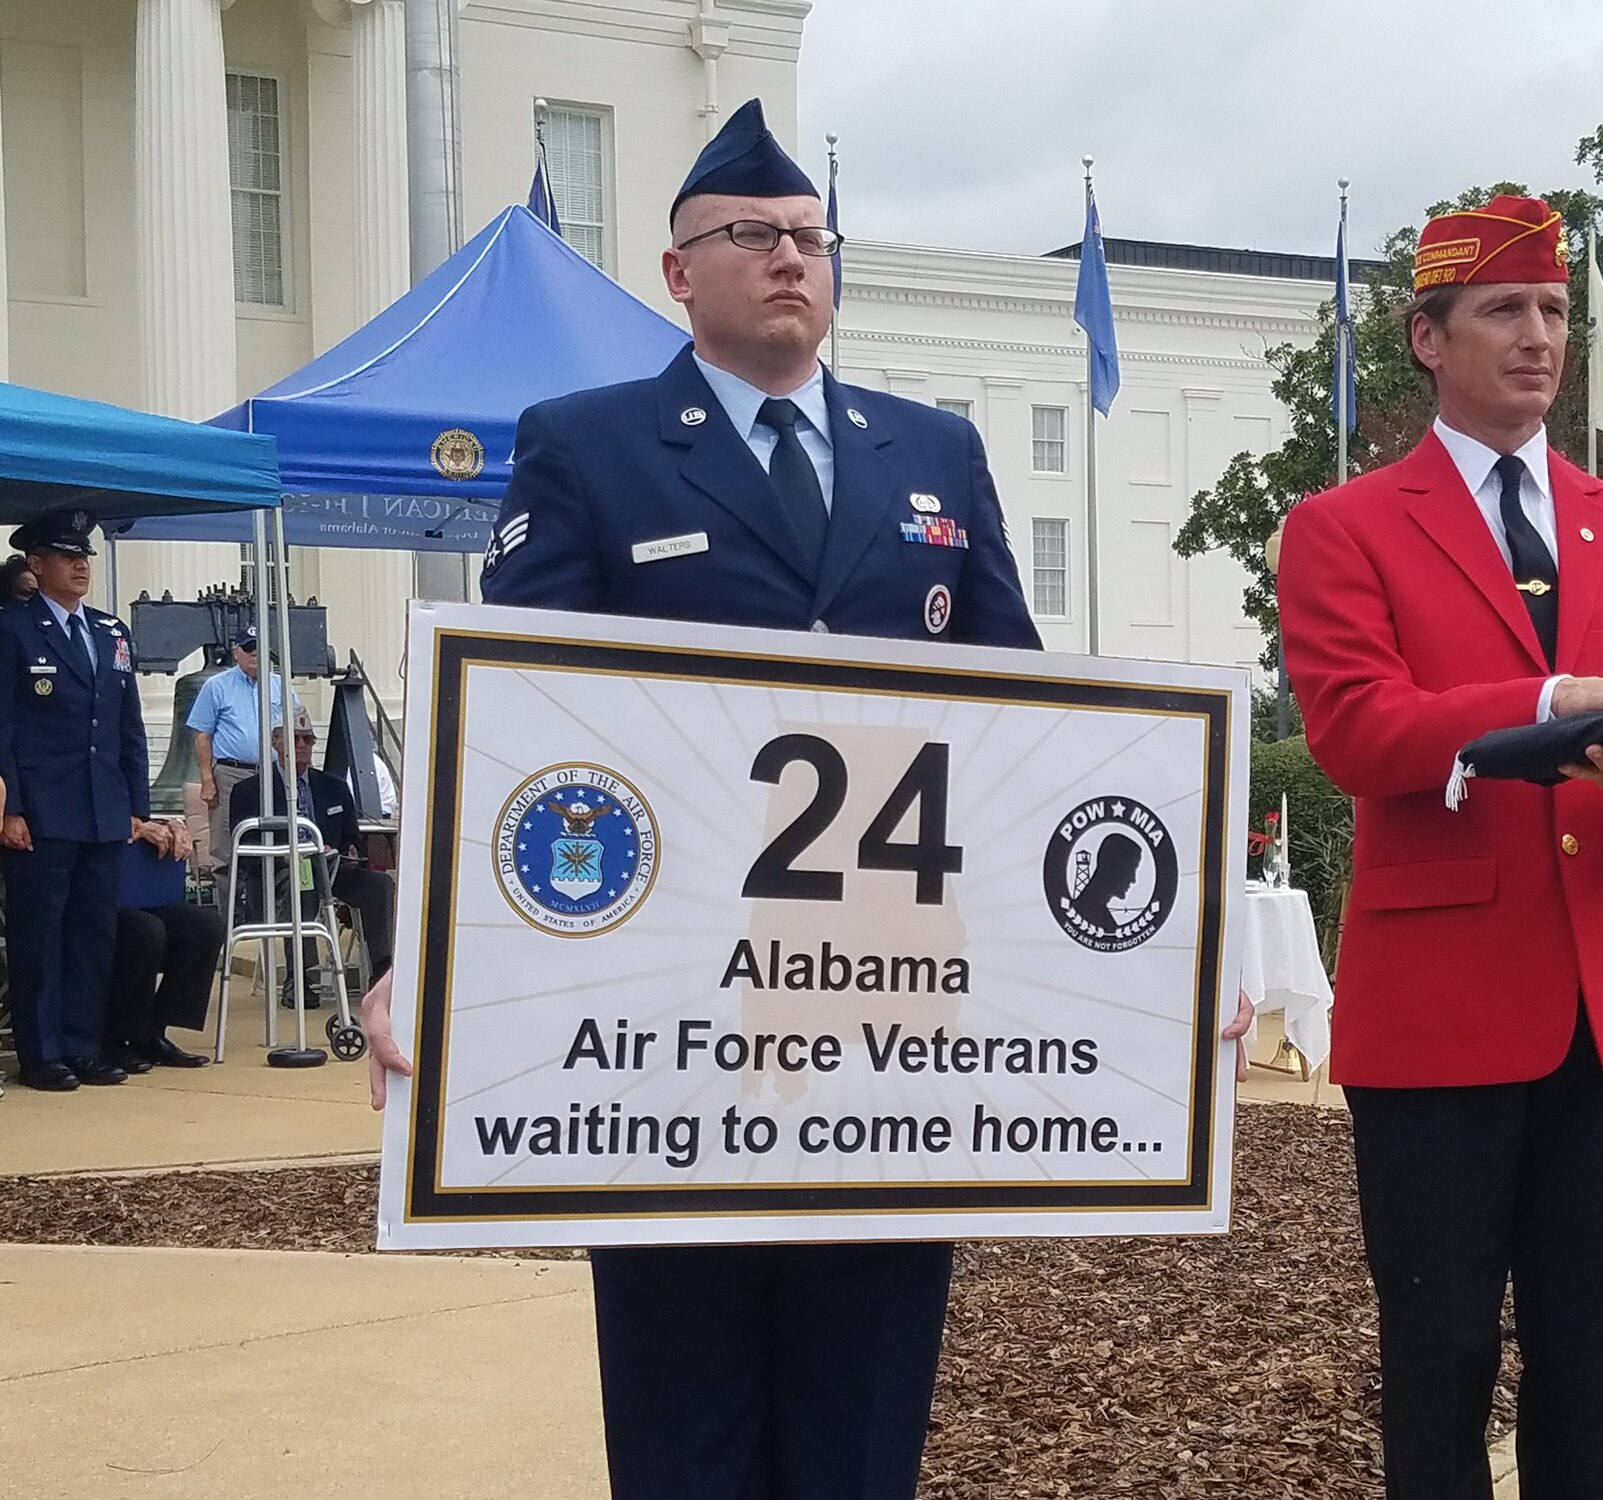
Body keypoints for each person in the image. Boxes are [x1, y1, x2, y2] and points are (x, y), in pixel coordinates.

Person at [363, 97, 1252, 1500]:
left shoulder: (935, 454)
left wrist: (1156, 968)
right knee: (685, 1418)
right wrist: (428, 959)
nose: (789, 258)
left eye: (809, 238)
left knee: (863, 1418)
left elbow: (1023, 735)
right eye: (752, 235)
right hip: (668, 1015)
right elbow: (521, 722)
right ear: (679, 274)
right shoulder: (586, 443)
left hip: (894, 1021)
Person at [1276, 195, 1603, 1500]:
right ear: (1429, 338)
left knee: (1594, 1361)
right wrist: (1550, 707)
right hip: (1437, 1014)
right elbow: (1360, 733)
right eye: (1502, 312)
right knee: (1441, 1355)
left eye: (1549, 313)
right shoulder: (1345, 528)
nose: (1538, 339)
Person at [0, 507, 151, 1091]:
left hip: (103, 806)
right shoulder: (13, 628)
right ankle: (42, 1053)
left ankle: (83, 1044)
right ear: (37, 565)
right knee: (42, 932)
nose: (81, 565)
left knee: (93, 931)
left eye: (83, 555)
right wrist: (9, 807)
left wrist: (135, 802)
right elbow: (4, 727)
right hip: (40, 808)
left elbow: (127, 725)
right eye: (67, 556)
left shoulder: (110, 631)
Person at [231, 715, 396, 992]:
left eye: (308, 739)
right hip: (278, 873)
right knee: (301, 879)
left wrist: (351, 853)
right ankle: (300, 977)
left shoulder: (334, 787)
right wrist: (287, 855)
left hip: (332, 869)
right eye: (294, 738)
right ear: (275, 742)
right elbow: (245, 853)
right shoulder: (250, 791)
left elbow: (352, 840)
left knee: (380, 885)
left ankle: (382, 971)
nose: (302, 745)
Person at [186, 625, 298, 903]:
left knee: (279, 847)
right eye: (249, 648)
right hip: (231, 774)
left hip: (273, 775)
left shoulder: (280, 686)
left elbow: (295, 727)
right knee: (226, 850)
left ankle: (271, 914)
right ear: (236, 653)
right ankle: (231, 925)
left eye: (260, 648)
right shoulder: (216, 686)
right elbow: (202, 734)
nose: (255, 654)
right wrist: (206, 780)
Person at [106, 818, 218, 1071]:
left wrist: (171, 825)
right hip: (98, 891)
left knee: (203, 926)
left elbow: (140, 816)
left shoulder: (132, 784)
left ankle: (154, 1030)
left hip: (141, 888)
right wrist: (133, 827)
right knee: (146, 931)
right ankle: (115, 1036)